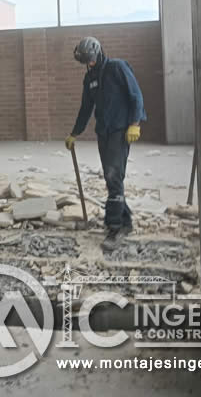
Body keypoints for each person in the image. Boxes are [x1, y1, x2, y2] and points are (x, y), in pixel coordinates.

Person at [64, 38, 146, 252]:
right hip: (104, 133)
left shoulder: (116, 67)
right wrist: (75, 133)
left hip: (121, 131)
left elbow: (136, 96)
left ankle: (115, 226)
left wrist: (135, 124)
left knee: (113, 177)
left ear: (98, 53)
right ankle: (126, 221)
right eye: (85, 62)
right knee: (113, 177)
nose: (89, 64)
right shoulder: (89, 78)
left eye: (90, 60)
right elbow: (85, 108)